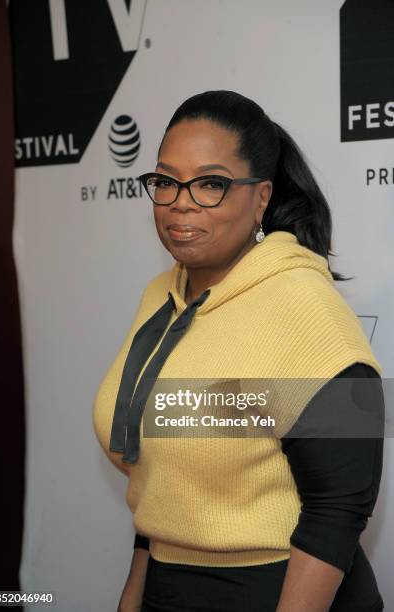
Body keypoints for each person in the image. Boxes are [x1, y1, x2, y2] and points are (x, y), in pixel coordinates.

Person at [92, 90, 385, 612]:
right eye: (165, 181)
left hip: (276, 593)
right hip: (168, 586)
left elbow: (339, 506)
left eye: (211, 184)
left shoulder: (307, 308)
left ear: (261, 197)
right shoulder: (161, 297)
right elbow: (161, 476)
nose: (181, 201)